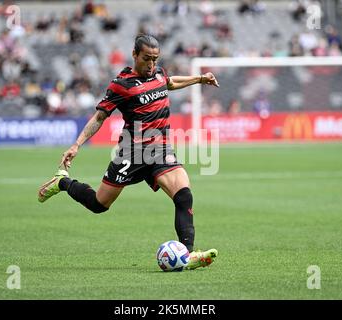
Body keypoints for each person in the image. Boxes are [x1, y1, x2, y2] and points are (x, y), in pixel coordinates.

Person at [38, 34, 219, 270]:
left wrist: (199, 79)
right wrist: (77, 144)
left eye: (155, 59)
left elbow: (170, 83)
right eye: (146, 59)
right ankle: (62, 182)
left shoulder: (158, 73)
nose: (151, 64)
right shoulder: (120, 85)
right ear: (134, 55)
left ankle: (188, 253)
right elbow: (100, 116)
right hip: (131, 154)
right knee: (99, 204)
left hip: (160, 150)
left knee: (183, 195)